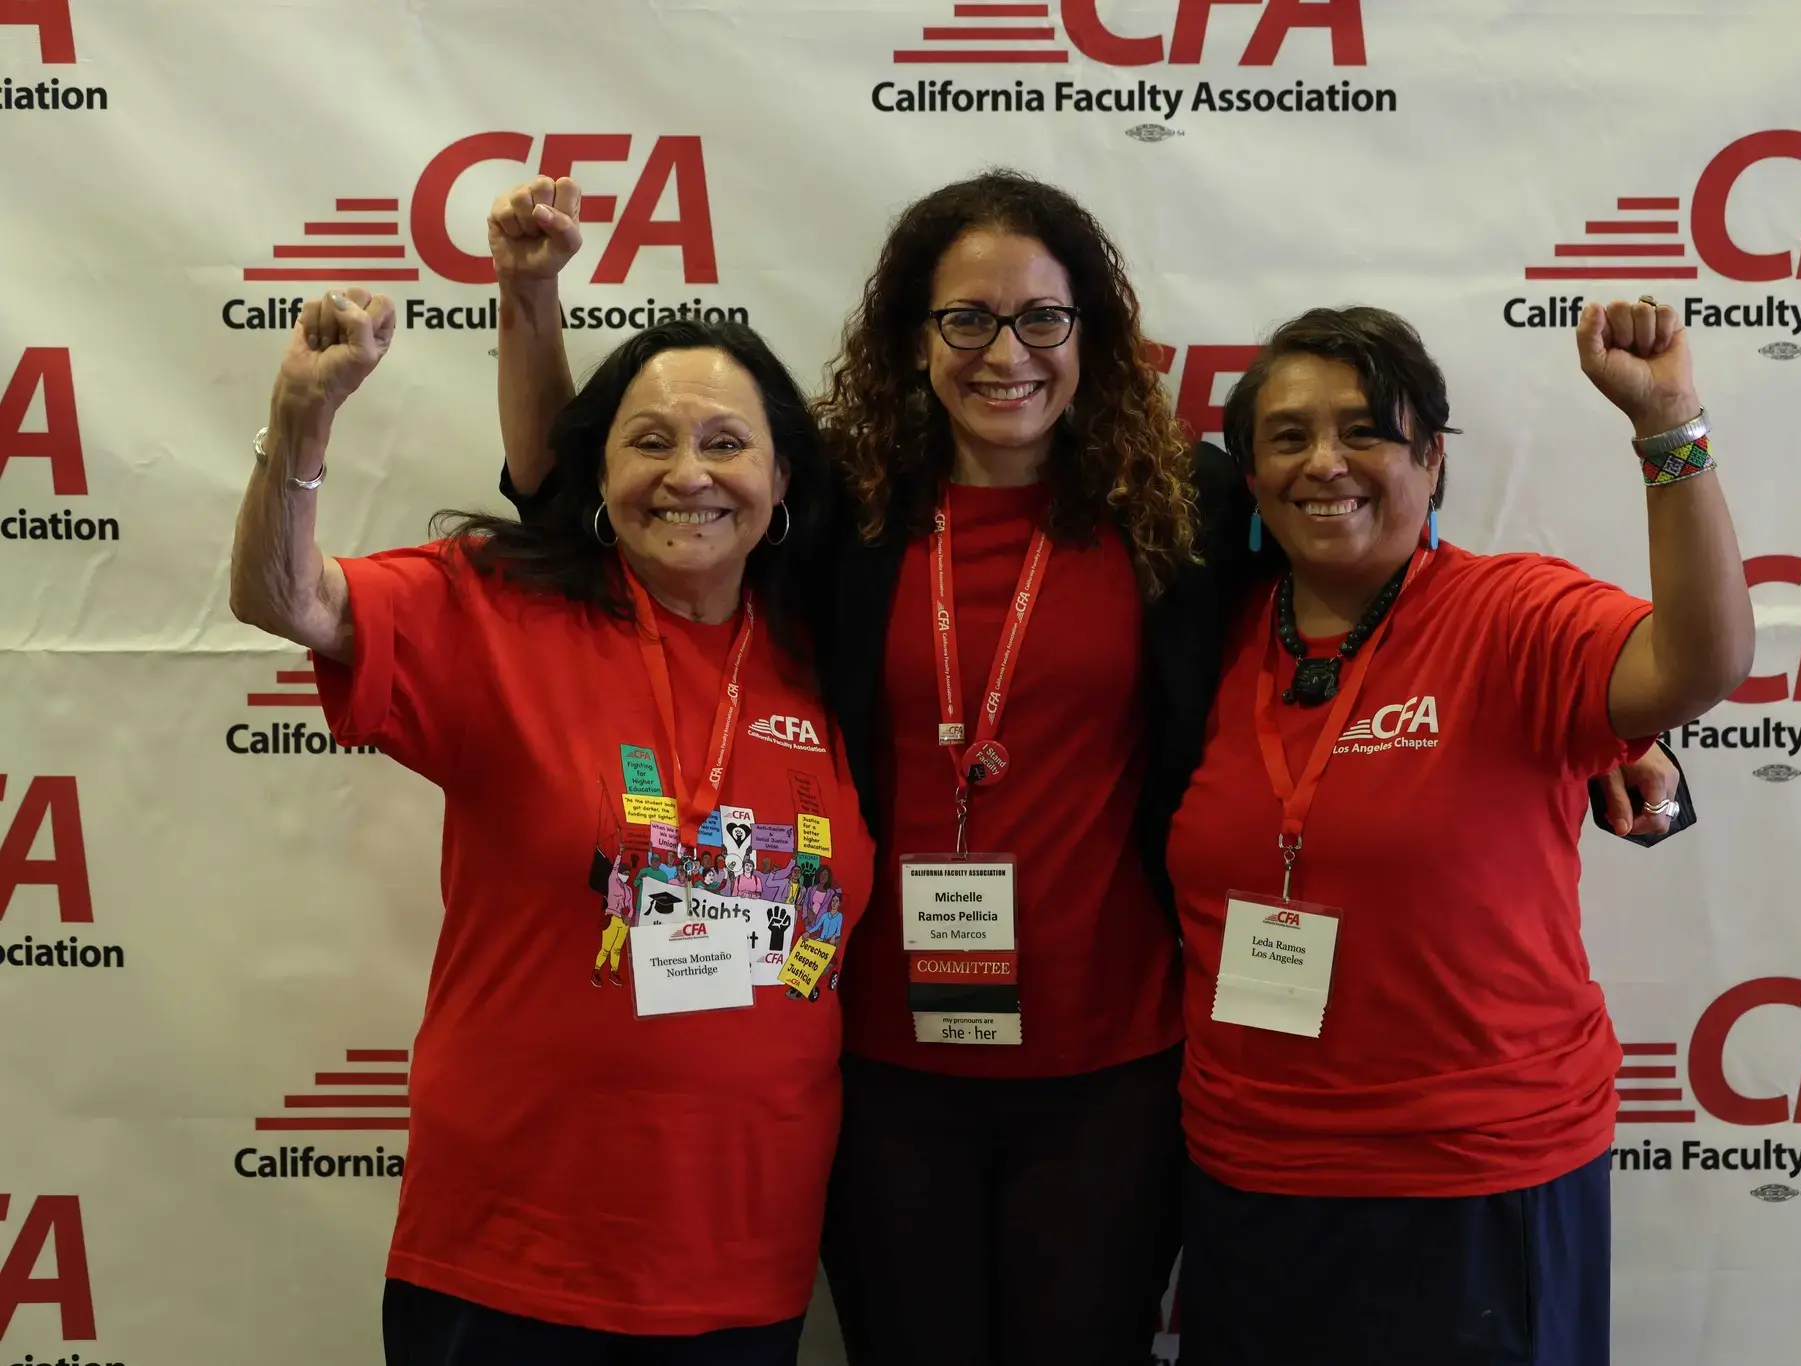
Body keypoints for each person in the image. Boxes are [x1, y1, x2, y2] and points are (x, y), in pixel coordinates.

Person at [486, 173, 1691, 1366]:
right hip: (885, 1060)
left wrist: (1609, 726)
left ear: (1087, 336)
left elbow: (1375, 575)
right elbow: (567, 494)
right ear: (915, 337)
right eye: (966, 318)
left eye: (1040, 318)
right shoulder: (844, 513)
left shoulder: (1182, 505)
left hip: (1112, 1068)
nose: (1004, 352)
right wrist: (529, 298)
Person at [229, 288, 872, 1365]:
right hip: (512, 1253)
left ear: (783, 479)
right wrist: (301, 416)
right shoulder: (497, 608)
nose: (689, 474)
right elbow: (283, 598)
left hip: (740, 1258)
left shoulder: (827, 659)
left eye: (726, 442)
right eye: (649, 441)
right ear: (598, 474)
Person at [1167, 302, 1752, 1366]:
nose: (1324, 463)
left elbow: (1696, 662)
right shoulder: (1209, 636)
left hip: (1475, 1175)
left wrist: (1669, 430)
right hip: (1252, 1179)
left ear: (1431, 460)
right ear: (1246, 479)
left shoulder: (1508, 614)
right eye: (1286, 437)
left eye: (1364, 430)